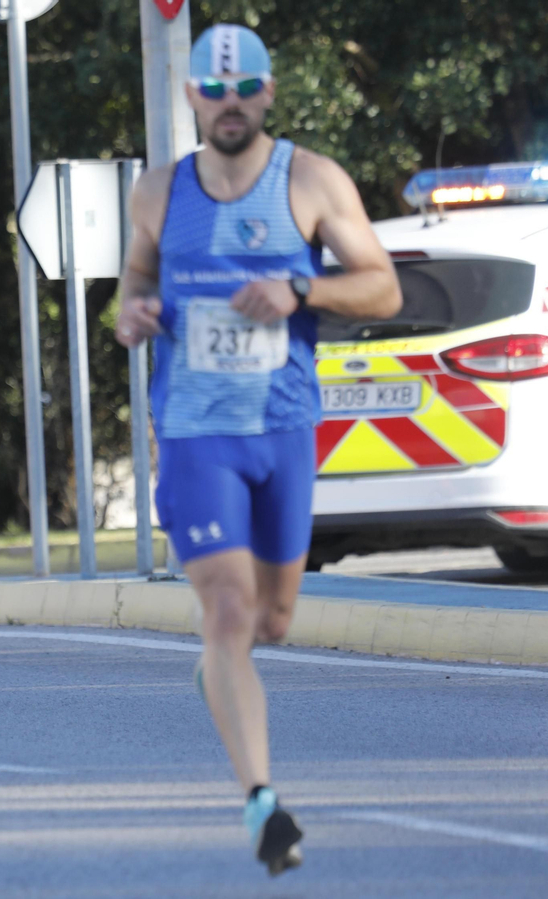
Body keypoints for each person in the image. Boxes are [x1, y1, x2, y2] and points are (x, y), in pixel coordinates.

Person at [114, 25, 400, 875]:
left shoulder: (310, 180)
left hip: (282, 427)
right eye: (213, 89)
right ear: (194, 97)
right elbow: (135, 281)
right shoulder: (159, 192)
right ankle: (263, 804)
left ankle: (220, 667)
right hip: (197, 435)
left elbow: (382, 285)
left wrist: (299, 286)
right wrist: (132, 313)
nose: (229, 104)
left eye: (244, 91)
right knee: (230, 611)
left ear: (268, 93)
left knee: (271, 620)